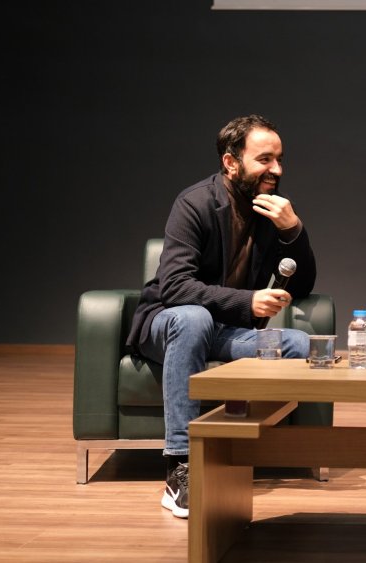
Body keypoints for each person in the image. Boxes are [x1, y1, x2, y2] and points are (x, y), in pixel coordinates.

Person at [125, 115, 317, 519]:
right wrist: (247, 302)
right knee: (194, 320)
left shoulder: (271, 209)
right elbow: (175, 287)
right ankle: (180, 466)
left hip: (224, 331)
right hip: (168, 323)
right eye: (264, 159)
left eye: (279, 159)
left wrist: (293, 230)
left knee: (301, 344)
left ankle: (248, 449)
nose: (277, 169)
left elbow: (301, 285)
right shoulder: (194, 203)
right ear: (231, 162)